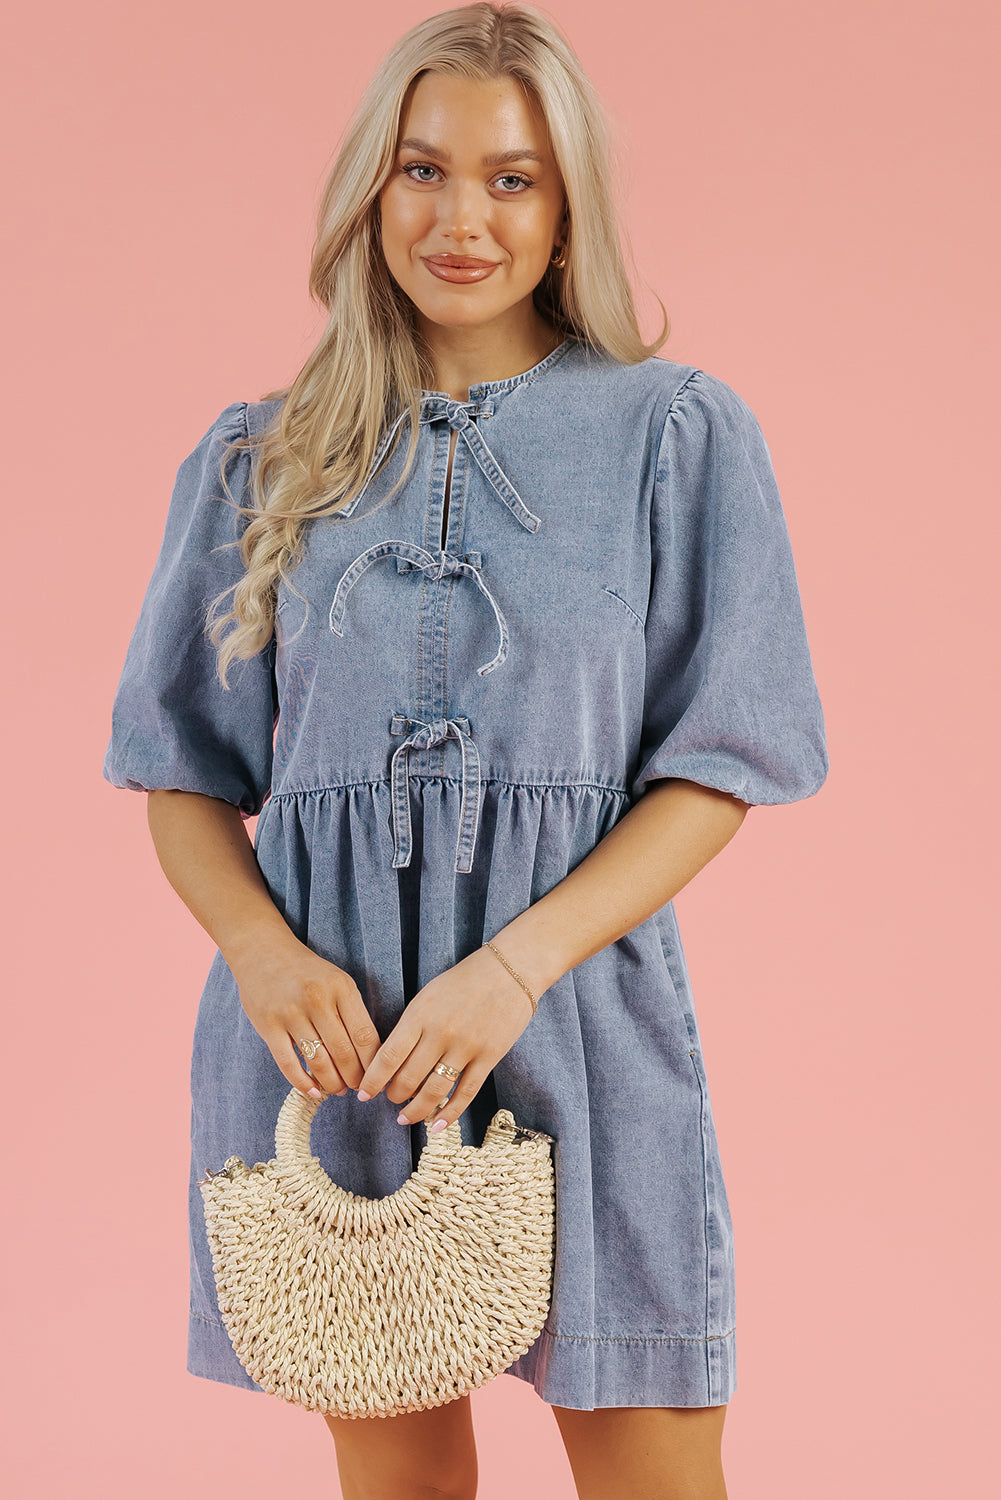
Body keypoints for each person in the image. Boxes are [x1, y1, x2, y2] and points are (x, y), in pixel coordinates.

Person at [102, 4, 828, 1496]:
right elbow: (179, 770)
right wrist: (264, 957)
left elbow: (723, 760)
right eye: (423, 170)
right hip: (340, 1043)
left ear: (566, 210)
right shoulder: (259, 455)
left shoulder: (673, 433)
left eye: (512, 179)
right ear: (373, 186)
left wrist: (512, 969)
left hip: (580, 1011)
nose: (461, 220)